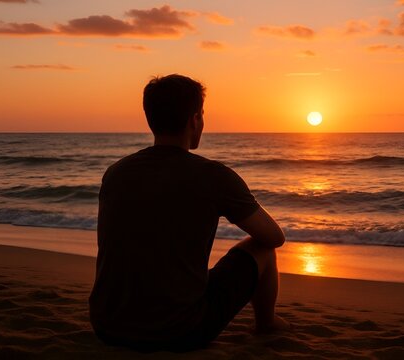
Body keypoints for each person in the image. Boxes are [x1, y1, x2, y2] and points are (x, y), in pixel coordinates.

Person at [89, 74, 289, 352]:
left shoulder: (116, 173)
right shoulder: (214, 176)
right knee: (263, 248)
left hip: (107, 327)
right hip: (180, 332)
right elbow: (274, 237)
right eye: (202, 116)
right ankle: (266, 323)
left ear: (151, 119)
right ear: (195, 119)